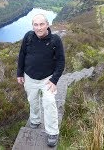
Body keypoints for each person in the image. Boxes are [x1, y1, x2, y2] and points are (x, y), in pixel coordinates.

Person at [17, 14, 65, 147]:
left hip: (47, 79)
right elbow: (22, 54)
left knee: (49, 103)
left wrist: (54, 80)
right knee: (32, 100)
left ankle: (52, 132)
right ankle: (35, 120)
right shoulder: (28, 37)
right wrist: (19, 73)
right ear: (33, 26)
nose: (39, 28)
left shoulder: (55, 40)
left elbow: (61, 61)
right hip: (29, 77)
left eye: (41, 24)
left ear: (47, 25)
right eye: (36, 25)